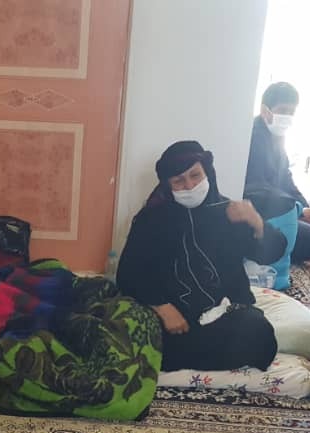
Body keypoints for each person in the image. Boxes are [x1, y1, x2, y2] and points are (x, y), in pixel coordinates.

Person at [117, 141, 286, 372]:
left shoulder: (230, 212)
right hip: (173, 318)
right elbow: (128, 275)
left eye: (195, 175)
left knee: (258, 334)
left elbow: (272, 254)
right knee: (133, 332)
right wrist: (163, 307)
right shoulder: (151, 220)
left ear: (208, 173)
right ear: (167, 185)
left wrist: (257, 222)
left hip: (225, 313)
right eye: (178, 181)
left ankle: (175, 358)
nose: (189, 185)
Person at [245, 81, 310, 265]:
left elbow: (286, 177)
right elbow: (258, 190)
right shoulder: (252, 137)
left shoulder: (277, 136)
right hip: (268, 215)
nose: (287, 117)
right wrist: (297, 211)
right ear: (265, 110)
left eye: (291, 112)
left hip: (286, 208)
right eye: (283, 110)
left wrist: (305, 209)